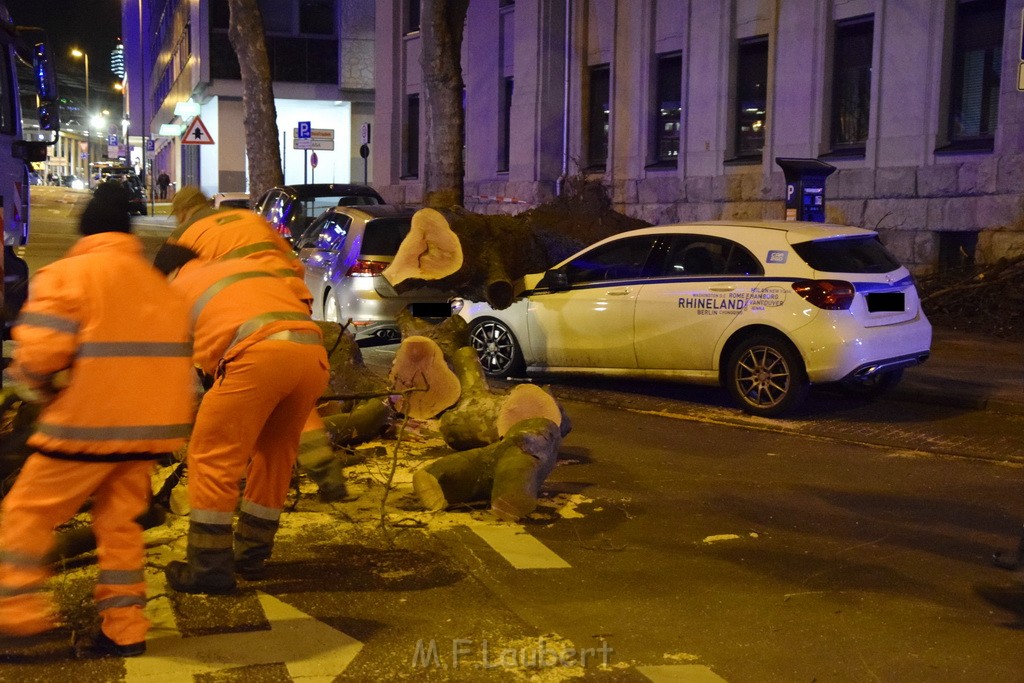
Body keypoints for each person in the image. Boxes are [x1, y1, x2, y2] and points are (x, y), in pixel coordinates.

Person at [0, 182, 196, 656]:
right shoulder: (154, 281)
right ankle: (124, 628)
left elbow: (42, 353)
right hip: (149, 431)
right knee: (119, 525)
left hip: (86, 427)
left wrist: (31, 383)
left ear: (84, 231)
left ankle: (14, 618)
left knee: (26, 515)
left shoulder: (68, 274)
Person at [155, 186, 348, 501]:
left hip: (241, 314)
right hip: (288, 298)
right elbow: (293, 261)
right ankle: (326, 472)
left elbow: (182, 295)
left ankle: (239, 479)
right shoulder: (250, 219)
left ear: (182, 212)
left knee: (240, 396)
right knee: (290, 398)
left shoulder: (184, 237)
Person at [163, 253, 329, 593]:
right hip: (312, 355)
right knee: (274, 456)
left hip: (260, 356)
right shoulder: (237, 269)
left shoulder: (177, 287)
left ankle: (208, 569)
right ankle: (251, 556)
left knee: (211, 456)